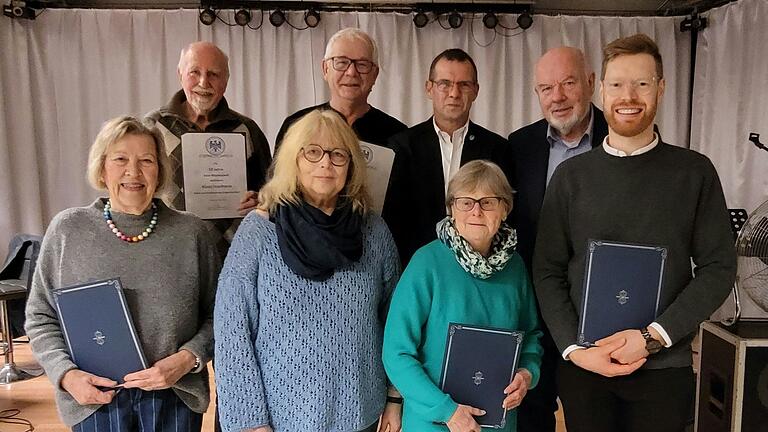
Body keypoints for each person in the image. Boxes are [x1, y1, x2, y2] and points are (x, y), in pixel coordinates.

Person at [533, 34, 737, 432]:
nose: (629, 96)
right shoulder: (571, 177)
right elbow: (547, 269)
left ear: (660, 88)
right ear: (600, 89)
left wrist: (654, 336)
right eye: (617, 84)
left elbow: (718, 266)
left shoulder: (694, 172)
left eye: (642, 83)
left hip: (664, 366)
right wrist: (574, 348)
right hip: (586, 368)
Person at [25, 116, 220, 430]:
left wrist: (187, 359)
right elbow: (40, 315)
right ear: (102, 168)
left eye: (146, 160)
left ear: (160, 171)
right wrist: (66, 374)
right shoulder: (68, 230)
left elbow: (220, 316)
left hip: (173, 394)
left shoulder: (191, 232)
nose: (134, 172)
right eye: (120, 159)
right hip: (95, 398)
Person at [214, 109, 402, 432]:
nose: (325, 164)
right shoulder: (258, 232)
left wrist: (395, 397)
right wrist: (249, 420)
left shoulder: (374, 232)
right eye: (313, 152)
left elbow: (398, 323)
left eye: (337, 154)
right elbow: (232, 332)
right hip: (279, 417)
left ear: (351, 164)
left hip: (362, 411)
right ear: (293, 159)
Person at [494, 46, 608, 432]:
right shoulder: (519, 145)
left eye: (567, 83)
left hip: (599, 311)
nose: (556, 97)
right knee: (531, 413)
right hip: (535, 308)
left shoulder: (618, 136)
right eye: (546, 88)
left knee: (591, 414)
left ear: (591, 83)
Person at [383, 160, 543, 432]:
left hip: (497, 424)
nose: (476, 212)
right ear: (451, 209)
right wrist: (447, 411)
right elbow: (396, 353)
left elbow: (530, 336)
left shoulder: (515, 267)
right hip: (435, 423)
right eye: (465, 202)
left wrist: (528, 374)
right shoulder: (426, 263)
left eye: (488, 202)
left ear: (505, 209)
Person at [383, 49, 507, 266]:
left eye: (464, 85)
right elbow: (393, 219)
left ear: (476, 91)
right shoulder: (401, 146)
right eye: (445, 84)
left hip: (480, 268)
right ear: (429, 88)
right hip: (414, 265)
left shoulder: (497, 149)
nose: (454, 93)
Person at [145, 41, 272, 242]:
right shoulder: (153, 126)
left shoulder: (247, 129)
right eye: (194, 72)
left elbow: (271, 189)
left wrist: (260, 201)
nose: (204, 82)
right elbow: (138, 188)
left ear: (226, 80)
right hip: (170, 248)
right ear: (180, 75)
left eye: (214, 74)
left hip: (234, 253)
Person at [275, 28, 407, 149]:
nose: (351, 72)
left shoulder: (398, 134)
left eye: (362, 64)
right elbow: (281, 175)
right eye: (342, 62)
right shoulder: (296, 126)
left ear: (375, 74)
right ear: (325, 69)